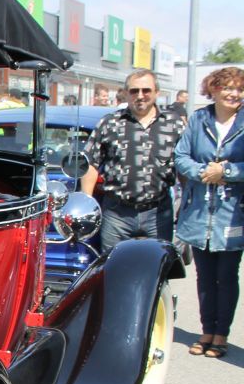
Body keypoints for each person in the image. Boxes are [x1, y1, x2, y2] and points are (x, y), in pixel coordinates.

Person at [173, 67, 244, 358]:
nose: (234, 94)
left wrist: (226, 172)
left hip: (233, 213)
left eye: (239, 89)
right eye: (228, 87)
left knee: (226, 276)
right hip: (199, 213)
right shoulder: (199, 119)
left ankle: (221, 334)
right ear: (213, 90)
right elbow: (181, 156)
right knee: (204, 276)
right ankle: (206, 331)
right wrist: (204, 172)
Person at [80, 69, 186, 250]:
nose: (140, 95)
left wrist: (185, 202)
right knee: (114, 265)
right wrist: (87, 203)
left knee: (156, 265)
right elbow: (90, 163)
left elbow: (184, 165)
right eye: (134, 91)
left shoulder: (173, 124)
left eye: (146, 90)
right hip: (116, 214)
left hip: (158, 214)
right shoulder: (110, 123)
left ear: (157, 92)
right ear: (126, 93)